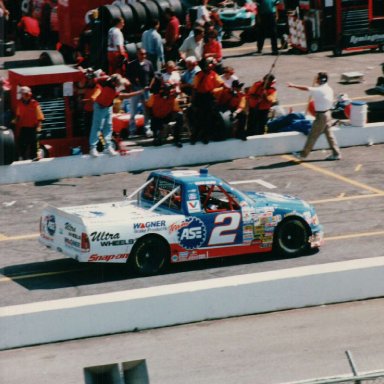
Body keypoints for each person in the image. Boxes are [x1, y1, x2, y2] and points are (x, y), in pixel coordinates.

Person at [287, 72, 342, 161]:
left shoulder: (319, 90)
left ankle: (303, 155)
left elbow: (305, 88)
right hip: (328, 114)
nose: (315, 80)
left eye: (317, 78)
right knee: (329, 135)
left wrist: (293, 85)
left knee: (313, 135)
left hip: (321, 116)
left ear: (321, 80)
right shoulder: (328, 88)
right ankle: (336, 153)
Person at [88, 74, 140, 157]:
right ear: (113, 82)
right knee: (97, 127)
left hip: (108, 106)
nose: (119, 85)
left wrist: (138, 91)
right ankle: (93, 148)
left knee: (108, 127)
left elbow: (125, 89)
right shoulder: (104, 81)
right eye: (118, 84)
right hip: (99, 106)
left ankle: (108, 147)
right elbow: (95, 80)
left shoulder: (117, 84)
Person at [190, 57, 224, 144]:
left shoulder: (213, 74)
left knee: (208, 118)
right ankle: (195, 136)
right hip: (200, 98)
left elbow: (222, 85)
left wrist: (215, 91)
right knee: (199, 118)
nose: (211, 65)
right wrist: (193, 101)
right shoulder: (199, 75)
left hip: (209, 97)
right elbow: (194, 89)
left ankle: (206, 136)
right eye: (209, 63)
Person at [125, 47, 154, 138]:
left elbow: (153, 75)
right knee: (133, 110)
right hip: (135, 90)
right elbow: (127, 76)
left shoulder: (149, 63)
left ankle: (147, 129)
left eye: (144, 54)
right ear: (137, 54)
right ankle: (132, 130)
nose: (143, 56)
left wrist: (150, 85)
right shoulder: (132, 64)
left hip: (145, 90)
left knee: (146, 111)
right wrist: (132, 82)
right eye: (141, 54)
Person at [146, 83, 183, 148]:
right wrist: (150, 116)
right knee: (155, 124)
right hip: (156, 118)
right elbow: (148, 107)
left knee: (179, 115)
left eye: (167, 90)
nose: (165, 91)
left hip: (167, 117)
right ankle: (157, 137)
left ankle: (177, 138)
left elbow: (177, 110)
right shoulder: (154, 97)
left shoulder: (173, 99)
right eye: (163, 89)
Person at [14, 86, 44, 160]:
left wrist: (39, 126)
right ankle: (22, 157)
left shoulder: (34, 103)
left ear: (29, 94)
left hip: (32, 127)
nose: (23, 96)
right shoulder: (20, 104)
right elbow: (18, 115)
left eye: (24, 94)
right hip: (23, 127)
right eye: (22, 94)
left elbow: (39, 116)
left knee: (33, 143)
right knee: (22, 143)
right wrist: (14, 122)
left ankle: (34, 157)